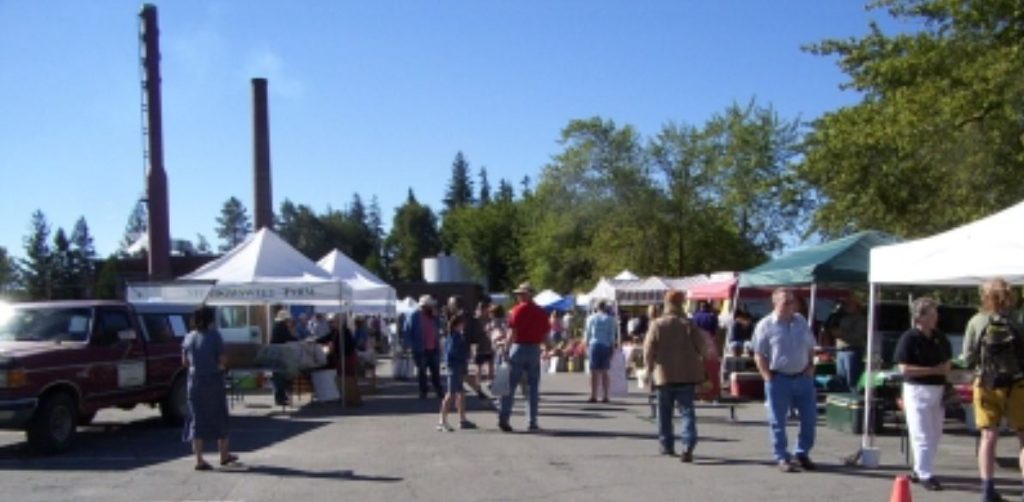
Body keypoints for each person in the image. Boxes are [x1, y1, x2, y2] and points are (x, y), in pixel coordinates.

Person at [961, 278, 1024, 502]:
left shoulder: (977, 321)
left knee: (988, 437)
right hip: (1017, 385)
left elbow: (967, 357)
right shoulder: (1018, 320)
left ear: (984, 296)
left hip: (986, 384)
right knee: (1023, 437)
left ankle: (987, 489)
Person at [752, 288, 818, 473]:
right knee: (778, 421)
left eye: (792, 302)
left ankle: (802, 452)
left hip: (803, 377)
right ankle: (782, 456)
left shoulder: (801, 321)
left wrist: (811, 365)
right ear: (775, 303)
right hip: (779, 378)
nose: (791, 306)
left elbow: (810, 345)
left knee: (810, 418)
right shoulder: (765, 325)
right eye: (786, 302)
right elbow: (758, 354)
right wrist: (767, 376)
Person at [894, 297, 950, 492]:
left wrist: (946, 369)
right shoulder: (909, 338)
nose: (936, 317)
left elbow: (947, 361)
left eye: (936, 312)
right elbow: (904, 368)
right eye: (932, 313)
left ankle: (920, 469)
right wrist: (932, 370)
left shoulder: (939, 337)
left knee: (935, 433)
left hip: (938, 390)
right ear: (920, 317)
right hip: (917, 390)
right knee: (922, 434)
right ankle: (926, 474)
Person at [643, 290, 706, 462]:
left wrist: (648, 370)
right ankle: (687, 444)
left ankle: (666, 444)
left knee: (664, 413)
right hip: (687, 374)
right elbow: (704, 347)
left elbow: (648, 349)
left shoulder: (657, 324)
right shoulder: (688, 324)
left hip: (664, 374)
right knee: (687, 412)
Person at [181, 305, 238, 471]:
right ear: (210, 319)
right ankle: (224, 455)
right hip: (213, 380)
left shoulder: (189, 337)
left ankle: (199, 459)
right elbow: (222, 360)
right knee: (219, 415)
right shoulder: (214, 336)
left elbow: (184, 362)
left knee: (197, 419)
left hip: (194, 381)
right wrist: (220, 367)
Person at [498, 282, 550, 432]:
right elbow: (545, 334)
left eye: (521, 294)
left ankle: (504, 418)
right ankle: (532, 421)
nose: (519, 296)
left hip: (518, 347)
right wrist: (548, 348)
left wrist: (506, 350)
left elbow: (511, 333)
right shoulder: (541, 312)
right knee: (532, 387)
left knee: (510, 386)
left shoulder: (516, 311)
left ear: (528, 294)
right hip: (534, 349)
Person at [439, 314, 475, 431]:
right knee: (451, 394)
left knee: (460, 393)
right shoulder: (456, 337)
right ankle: (442, 421)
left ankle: (462, 419)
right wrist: (464, 357)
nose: (464, 325)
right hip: (455, 367)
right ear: (458, 325)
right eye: (462, 323)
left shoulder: (455, 336)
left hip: (457, 367)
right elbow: (451, 353)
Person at [403, 295, 444, 399]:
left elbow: (440, 328)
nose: (432, 308)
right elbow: (407, 331)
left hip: (434, 348)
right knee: (422, 372)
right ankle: (423, 391)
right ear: (424, 306)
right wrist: (409, 346)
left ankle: (438, 390)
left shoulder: (434, 317)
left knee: (436, 371)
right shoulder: (414, 316)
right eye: (430, 306)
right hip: (420, 348)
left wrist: (437, 317)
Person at [584, 301, 616, 403]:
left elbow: (588, 333)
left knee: (593, 371)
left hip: (594, 345)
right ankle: (606, 395)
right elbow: (612, 335)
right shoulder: (611, 319)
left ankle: (593, 395)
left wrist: (586, 346)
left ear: (596, 307)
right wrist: (612, 347)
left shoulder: (591, 318)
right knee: (605, 372)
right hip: (606, 345)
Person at [834, 295, 868, 392]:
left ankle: (854, 399)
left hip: (853, 351)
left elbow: (858, 336)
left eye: (849, 304)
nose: (846, 306)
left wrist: (841, 334)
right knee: (841, 380)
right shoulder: (843, 318)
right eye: (845, 305)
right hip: (840, 351)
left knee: (852, 380)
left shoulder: (860, 319)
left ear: (856, 305)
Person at [270, 309, 298, 406]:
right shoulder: (281, 326)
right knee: (280, 378)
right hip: (279, 355)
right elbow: (288, 338)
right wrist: (298, 339)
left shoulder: (277, 326)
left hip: (276, 354)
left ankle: (281, 397)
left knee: (279, 377)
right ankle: (280, 398)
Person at [473, 300, 496, 388]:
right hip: (479, 346)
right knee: (479, 366)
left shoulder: (489, 319)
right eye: (481, 309)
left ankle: (490, 381)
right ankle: (477, 384)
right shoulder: (475, 320)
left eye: (484, 309)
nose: (483, 311)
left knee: (490, 364)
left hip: (489, 345)